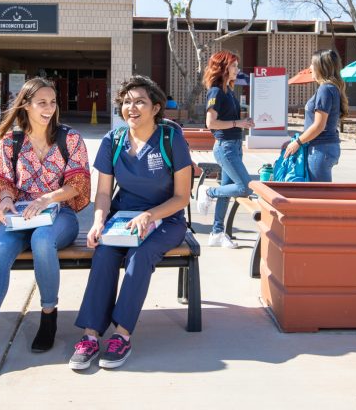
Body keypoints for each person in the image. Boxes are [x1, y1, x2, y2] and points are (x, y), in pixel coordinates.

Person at [0, 77, 90, 376]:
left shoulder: (69, 138)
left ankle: (49, 314)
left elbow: (78, 183)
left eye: (53, 102)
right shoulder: (12, 142)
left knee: (42, 239)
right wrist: (5, 200)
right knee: (1, 249)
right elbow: (3, 182)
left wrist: (47, 198)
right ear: (27, 105)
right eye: (42, 103)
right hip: (20, 217)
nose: (49, 108)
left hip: (59, 216)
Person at [69, 75, 192, 371]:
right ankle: (90, 335)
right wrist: (99, 222)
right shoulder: (114, 141)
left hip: (165, 218)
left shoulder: (170, 138)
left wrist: (151, 215)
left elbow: (182, 197)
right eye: (126, 102)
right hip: (123, 219)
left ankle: (121, 335)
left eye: (140, 102)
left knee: (140, 255)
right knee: (104, 255)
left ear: (155, 107)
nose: (131, 108)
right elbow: (102, 193)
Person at [196, 51, 254, 248]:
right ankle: (209, 191)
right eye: (234, 66)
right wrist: (239, 122)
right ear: (223, 67)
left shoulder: (228, 90)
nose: (237, 69)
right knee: (246, 187)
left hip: (235, 145)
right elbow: (211, 123)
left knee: (228, 191)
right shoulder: (216, 92)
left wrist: (243, 123)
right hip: (225, 148)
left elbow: (229, 120)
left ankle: (217, 233)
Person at [283, 49, 349, 182]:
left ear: (321, 67)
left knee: (320, 196)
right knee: (319, 194)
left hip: (320, 149)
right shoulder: (331, 88)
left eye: (312, 64)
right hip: (325, 147)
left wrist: (298, 142)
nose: (310, 68)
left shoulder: (325, 89)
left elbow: (319, 126)